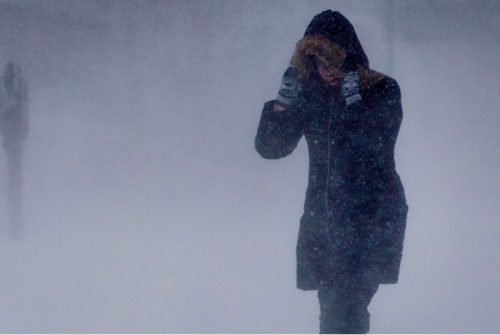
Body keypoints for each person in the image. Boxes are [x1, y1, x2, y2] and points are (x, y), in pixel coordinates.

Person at [255, 11, 408, 334]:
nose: (326, 70)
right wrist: (282, 104)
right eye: (316, 62)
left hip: (371, 221)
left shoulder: (382, 90)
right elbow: (272, 148)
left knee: (344, 310)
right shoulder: (312, 97)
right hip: (324, 224)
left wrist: (354, 101)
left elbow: (376, 148)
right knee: (334, 311)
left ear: (348, 57)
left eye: (332, 60)